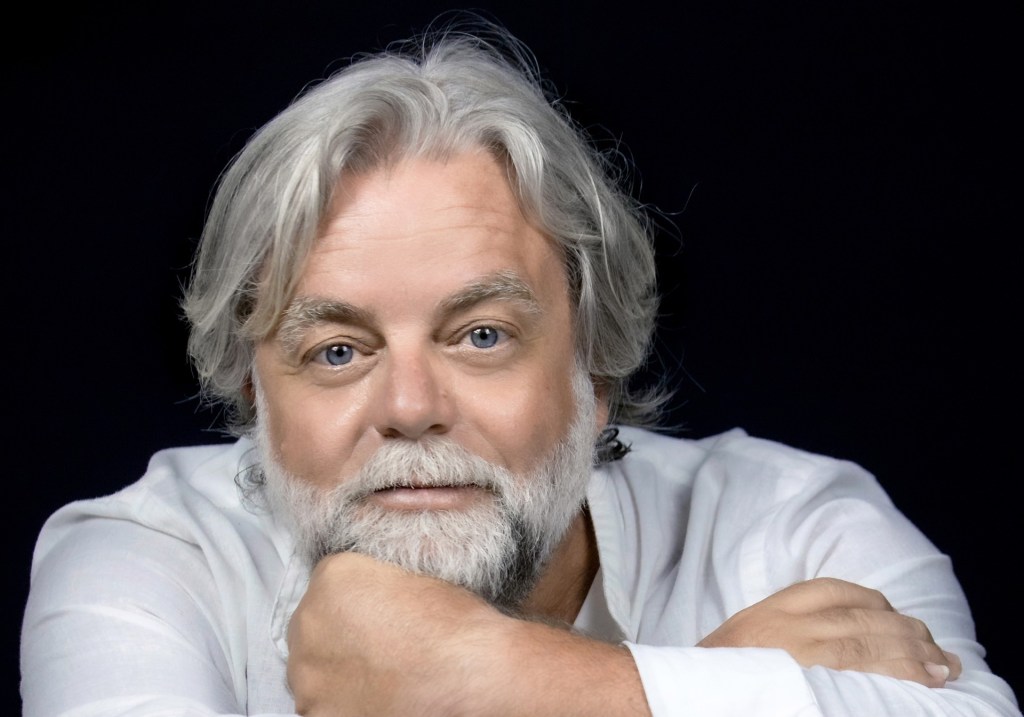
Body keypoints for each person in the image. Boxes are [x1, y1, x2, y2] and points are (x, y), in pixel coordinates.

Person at [20, 16, 1021, 717]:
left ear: (596, 372)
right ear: (254, 399)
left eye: (481, 336)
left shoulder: (798, 526)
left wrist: (496, 680)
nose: (409, 406)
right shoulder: (141, 561)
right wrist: (691, 689)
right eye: (338, 350)